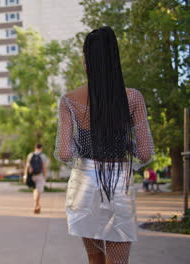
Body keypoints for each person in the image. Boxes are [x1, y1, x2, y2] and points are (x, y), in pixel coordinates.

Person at [54, 26, 154, 264]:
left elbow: (65, 153)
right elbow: (145, 152)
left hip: (84, 185)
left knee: (95, 258)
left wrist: (86, 146)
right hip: (118, 183)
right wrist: (124, 144)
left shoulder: (69, 100)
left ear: (87, 60)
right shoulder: (133, 98)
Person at [23, 143, 48, 214]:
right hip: (39, 175)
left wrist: (25, 176)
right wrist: (45, 176)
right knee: (38, 191)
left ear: (35, 148)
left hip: (31, 175)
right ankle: (36, 205)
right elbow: (44, 167)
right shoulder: (43, 156)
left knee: (35, 190)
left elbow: (27, 166)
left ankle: (36, 204)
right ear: (41, 148)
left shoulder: (30, 155)